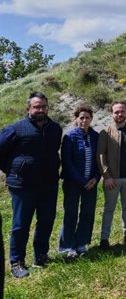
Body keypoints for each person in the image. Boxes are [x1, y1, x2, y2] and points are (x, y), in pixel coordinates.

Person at [0, 92, 61, 278]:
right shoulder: (16, 129)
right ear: (29, 108)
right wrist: (13, 170)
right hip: (23, 186)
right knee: (21, 225)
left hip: (49, 184)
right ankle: (17, 262)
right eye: (36, 107)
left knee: (46, 221)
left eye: (43, 106)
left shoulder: (55, 128)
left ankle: (41, 256)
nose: (40, 110)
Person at [97, 101, 126, 248]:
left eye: (122, 111)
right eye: (116, 112)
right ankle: (104, 238)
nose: (119, 114)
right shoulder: (105, 132)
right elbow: (100, 155)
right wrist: (106, 176)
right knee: (109, 208)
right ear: (112, 113)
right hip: (112, 179)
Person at [59, 105, 100, 259]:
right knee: (71, 213)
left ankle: (82, 243)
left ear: (91, 119)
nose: (84, 120)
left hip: (91, 183)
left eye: (87, 117)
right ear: (76, 119)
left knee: (87, 213)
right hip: (73, 183)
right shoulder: (69, 137)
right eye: (81, 117)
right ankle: (69, 246)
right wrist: (83, 181)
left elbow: (99, 161)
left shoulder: (96, 136)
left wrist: (96, 178)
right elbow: (67, 163)